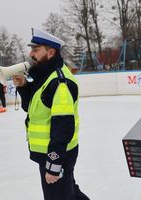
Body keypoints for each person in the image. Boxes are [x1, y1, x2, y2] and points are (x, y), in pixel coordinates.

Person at [13, 28, 89, 200]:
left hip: (57, 154)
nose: (31, 54)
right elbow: (35, 109)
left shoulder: (59, 82)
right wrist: (24, 86)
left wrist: (54, 163)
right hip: (51, 153)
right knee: (69, 192)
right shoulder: (46, 77)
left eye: (36, 49)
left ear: (50, 52)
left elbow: (63, 126)